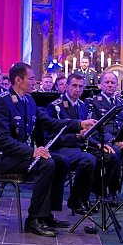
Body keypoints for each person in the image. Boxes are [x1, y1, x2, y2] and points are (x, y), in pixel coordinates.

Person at [0, 63, 96, 237]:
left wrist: (78, 124)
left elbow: (49, 123)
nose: (34, 81)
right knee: (46, 163)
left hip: (19, 154)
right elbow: (2, 140)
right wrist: (31, 152)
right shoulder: (2, 102)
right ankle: (34, 219)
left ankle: (47, 215)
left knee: (61, 161)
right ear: (18, 80)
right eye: (30, 78)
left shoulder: (28, 100)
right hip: (2, 158)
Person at [44, 73, 98, 213]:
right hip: (61, 148)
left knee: (106, 156)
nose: (77, 89)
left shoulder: (82, 105)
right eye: (74, 85)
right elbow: (51, 135)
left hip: (78, 147)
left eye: (81, 86)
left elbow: (86, 132)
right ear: (66, 86)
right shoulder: (55, 106)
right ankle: (77, 200)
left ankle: (100, 197)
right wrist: (76, 136)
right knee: (88, 160)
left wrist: (98, 144)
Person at [87, 72, 123, 201]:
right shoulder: (93, 102)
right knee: (114, 154)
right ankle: (111, 191)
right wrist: (114, 141)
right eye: (107, 82)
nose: (110, 85)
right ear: (100, 85)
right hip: (104, 139)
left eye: (112, 83)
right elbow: (94, 127)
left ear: (117, 85)